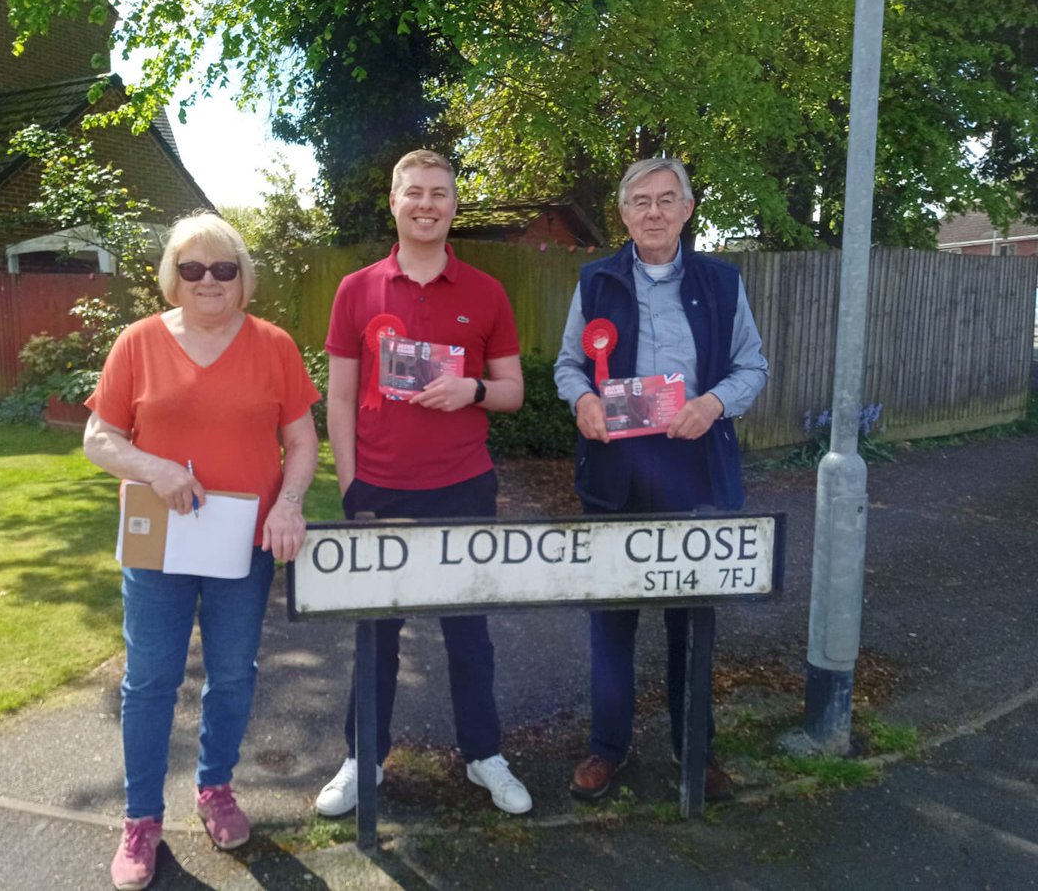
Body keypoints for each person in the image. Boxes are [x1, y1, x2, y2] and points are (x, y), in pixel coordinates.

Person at [83, 212, 320, 891]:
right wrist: (153, 467)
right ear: (173, 278)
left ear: (243, 277)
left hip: (242, 547)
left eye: (224, 268)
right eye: (192, 268)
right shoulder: (138, 343)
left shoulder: (273, 345)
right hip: (158, 541)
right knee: (151, 679)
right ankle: (141, 820)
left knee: (235, 673)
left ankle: (215, 787)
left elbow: (302, 441)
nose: (209, 280)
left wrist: (290, 503)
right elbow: (99, 439)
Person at [316, 149, 533, 817]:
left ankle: (483, 756)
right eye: (414, 192)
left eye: (439, 193)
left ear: (454, 205)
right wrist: (351, 486)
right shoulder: (355, 290)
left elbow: (513, 392)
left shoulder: (486, 293)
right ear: (394, 201)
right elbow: (341, 400)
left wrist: (470, 388)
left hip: (464, 486)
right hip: (379, 487)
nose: (427, 204)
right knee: (375, 633)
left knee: (469, 630)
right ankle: (361, 762)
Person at [554, 158, 768, 803]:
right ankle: (607, 749)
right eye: (640, 201)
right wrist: (583, 402)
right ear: (622, 214)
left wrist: (714, 404)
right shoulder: (595, 282)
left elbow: (751, 367)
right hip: (615, 473)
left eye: (666, 200)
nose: (653, 212)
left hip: (694, 469)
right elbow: (570, 366)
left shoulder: (722, 282)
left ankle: (694, 750)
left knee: (692, 620)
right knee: (612, 621)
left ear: (687, 209)